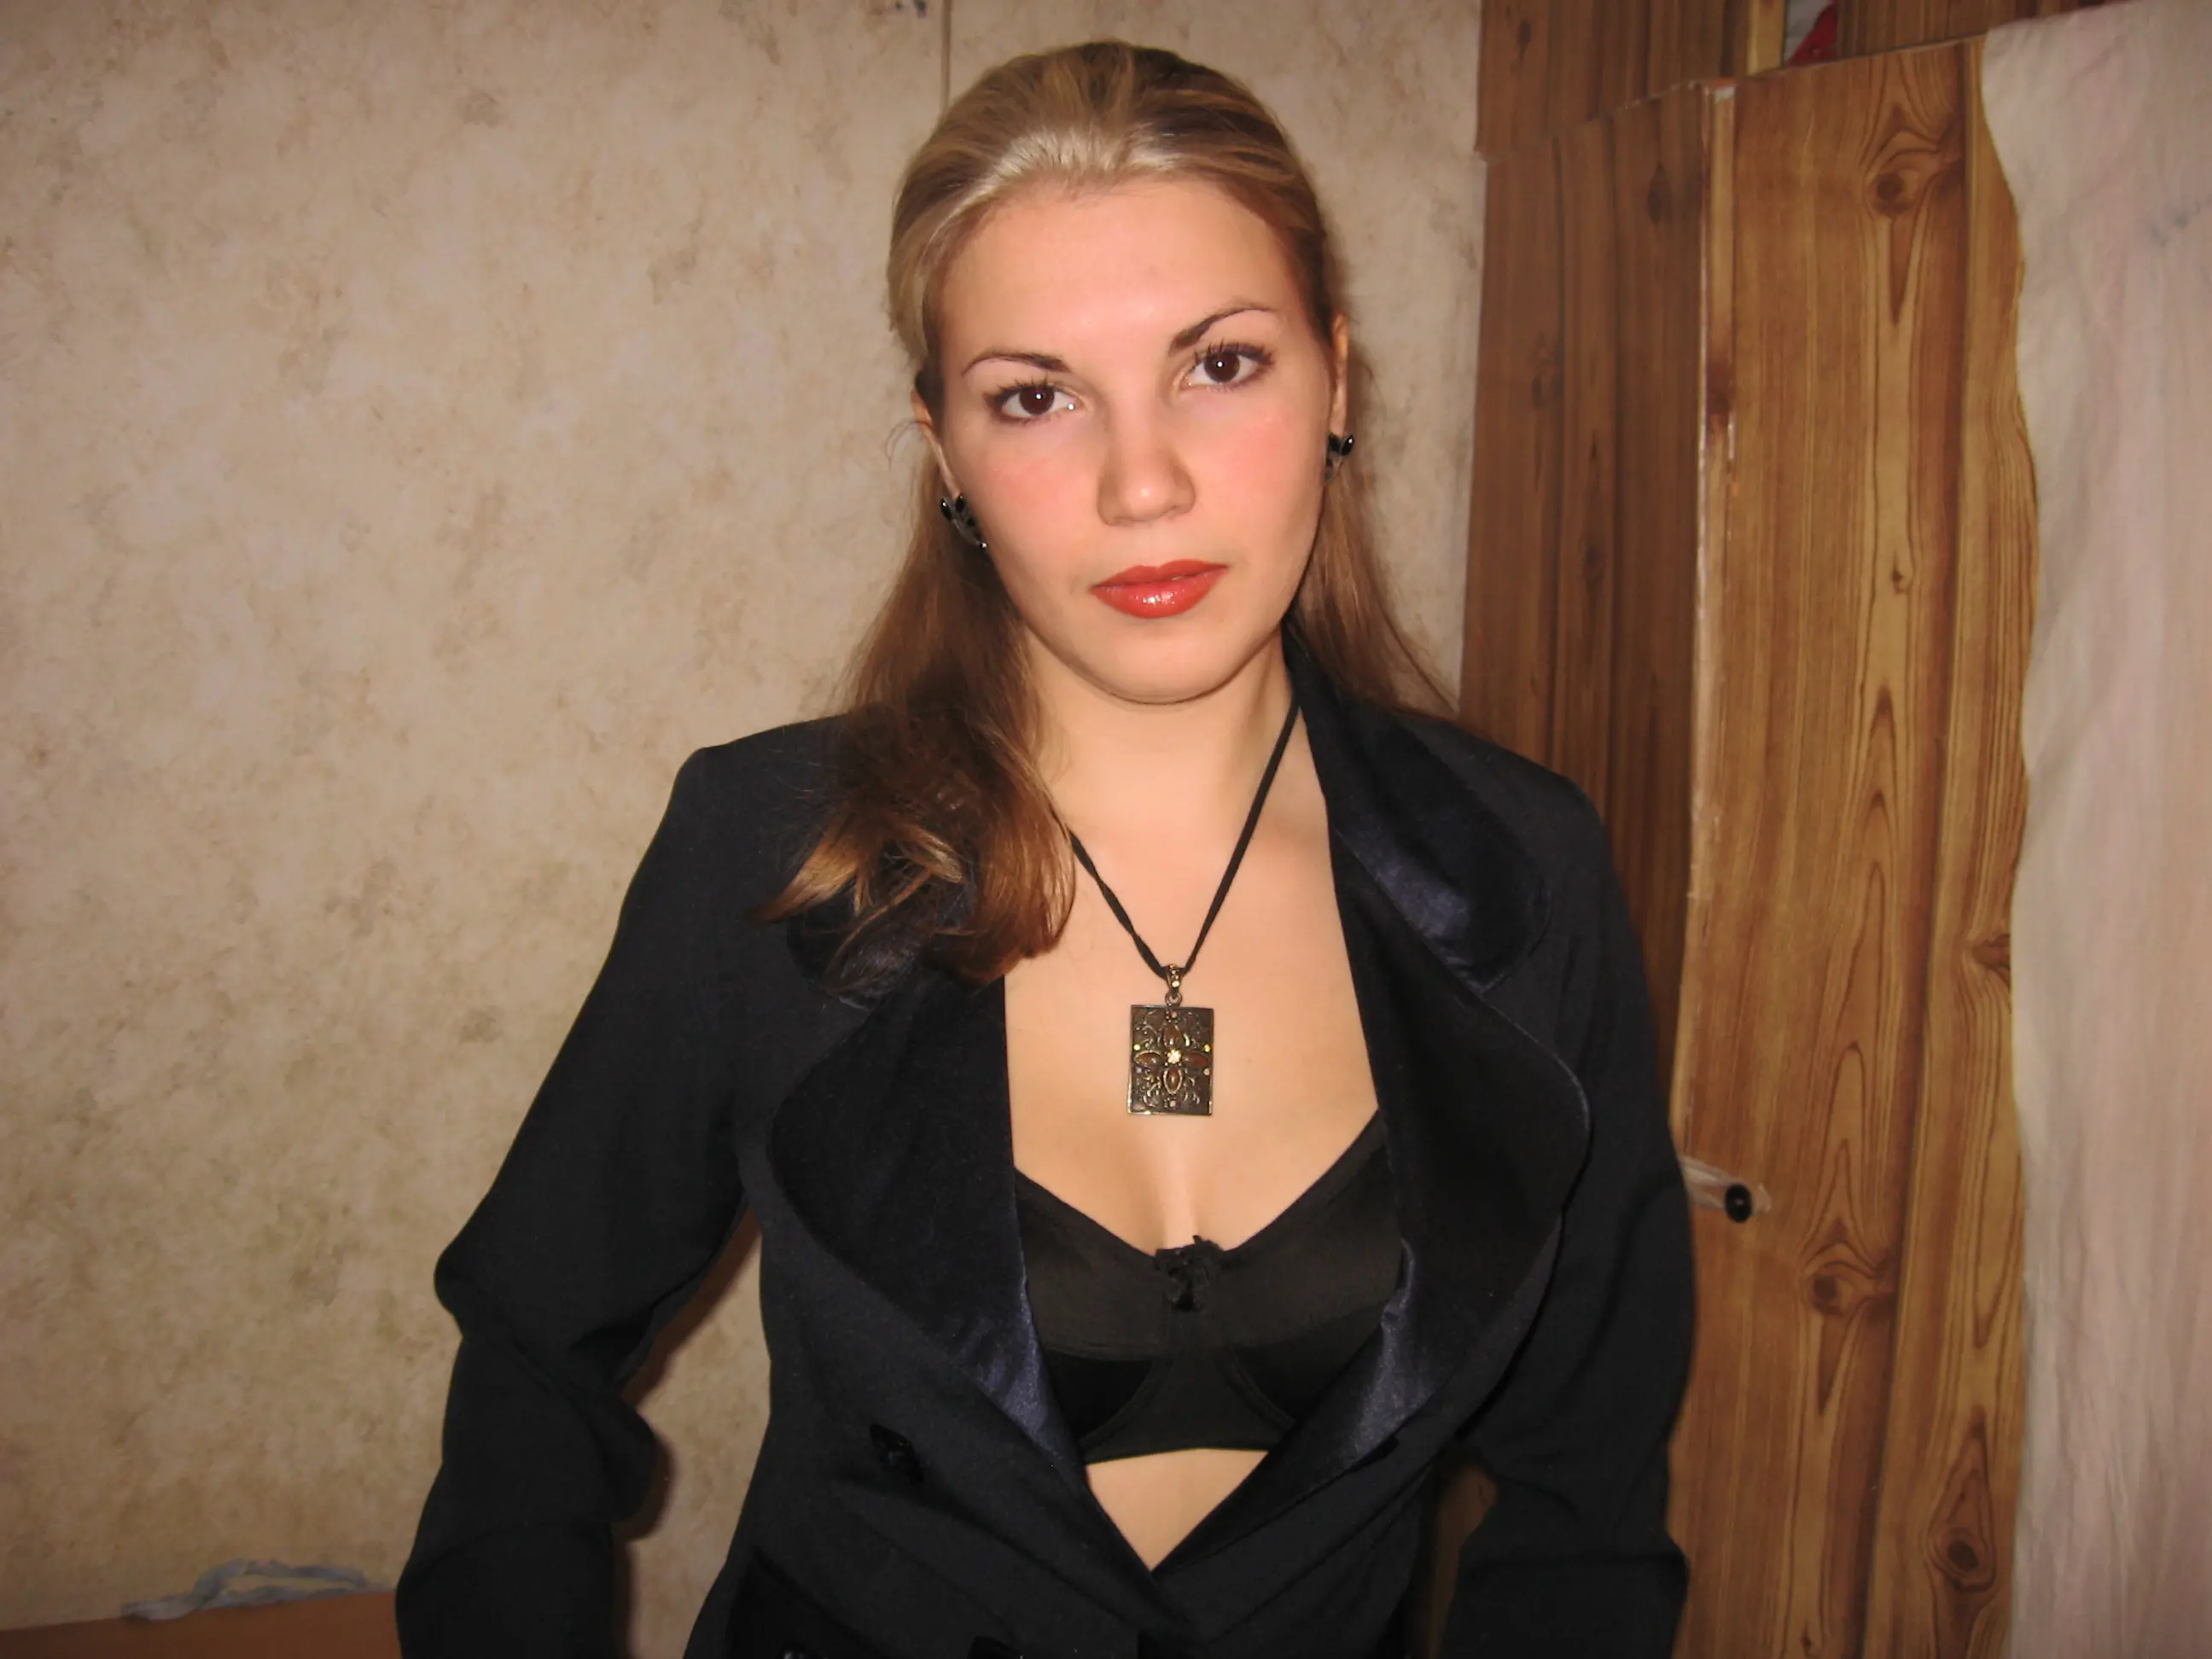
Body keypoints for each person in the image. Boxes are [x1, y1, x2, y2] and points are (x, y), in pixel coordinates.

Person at [397, 40, 1692, 1659]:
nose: (1142, 485)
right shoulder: (772, 849)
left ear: (1338, 381)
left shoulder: (1528, 871)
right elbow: (533, 1355)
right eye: (1035, 397)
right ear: (945, 448)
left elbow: (1586, 1501)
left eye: (1221, 365)